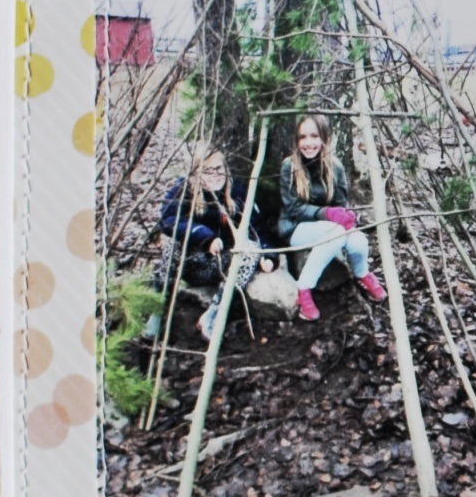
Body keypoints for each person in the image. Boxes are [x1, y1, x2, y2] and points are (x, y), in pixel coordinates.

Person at [154, 144, 277, 338]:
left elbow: (257, 227)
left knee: (250, 249)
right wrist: (205, 237)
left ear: (226, 168)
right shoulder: (183, 190)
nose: (215, 175)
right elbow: (168, 221)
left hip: (223, 267)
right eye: (207, 170)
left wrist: (268, 254)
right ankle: (158, 308)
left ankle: (214, 315)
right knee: (173, 245)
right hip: (193, 264)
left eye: (219, 168)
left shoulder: (238, 192)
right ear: (196, 173)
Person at [279, 113, 387, 321]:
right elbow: (293, 207)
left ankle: (362, 274)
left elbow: (340, 203)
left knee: (357, 239)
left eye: (314, 136)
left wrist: (345, 215)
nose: (308, 143)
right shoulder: (289, 166)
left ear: (325, 138)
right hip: (296, 227)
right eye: (302, 137)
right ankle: (303, 289)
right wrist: (326, 213)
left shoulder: (335, 166)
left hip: (327, 228)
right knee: (336, 233)